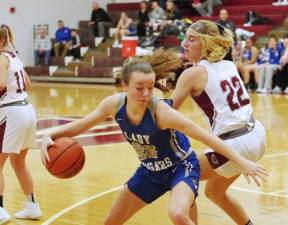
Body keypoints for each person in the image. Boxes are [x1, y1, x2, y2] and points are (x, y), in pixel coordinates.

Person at [39, 49, 267, 225]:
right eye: (139, 88)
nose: (146, 93)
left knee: (177, 214)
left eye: (150, 87)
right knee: (110, 221)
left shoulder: (161, 112)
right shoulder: (113, 105)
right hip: (150, 171)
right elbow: (81, 125)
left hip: (182, 167)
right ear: (124, 85)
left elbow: (206, 138)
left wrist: (242, 160)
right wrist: (49, 136)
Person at [171, 20, 267, 225]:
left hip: (234, 144)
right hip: (256, 135)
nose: (185, 44)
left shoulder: (192, 73)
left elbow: (169, 113)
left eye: (192, 39)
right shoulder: (229, 64)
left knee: (181, 174)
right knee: (215, 192)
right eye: (185, 39)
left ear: (206, 43)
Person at [0, 24, 42, 224]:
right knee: (18, 162)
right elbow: (28, 83)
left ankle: (0, 211)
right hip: (26, 109)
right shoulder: (14, 56)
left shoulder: (1, 58)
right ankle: (31, 205)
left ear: (0, 41)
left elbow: (0, 85)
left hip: (12, 112)